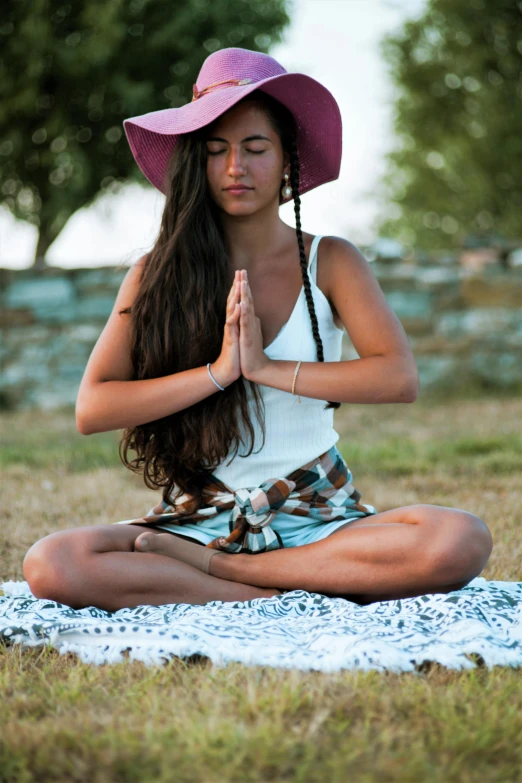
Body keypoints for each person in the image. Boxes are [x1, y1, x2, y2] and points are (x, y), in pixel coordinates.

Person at [22, 47, 493, 612]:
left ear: (288, 160)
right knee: (53, 563)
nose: (234, 168)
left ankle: (229, 576)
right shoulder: (154, 275)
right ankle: (273, 591)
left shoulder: (331, 260)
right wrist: (220, 373)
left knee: (459, 539)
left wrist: (268, 370)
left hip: (316, 515)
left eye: (254, 148)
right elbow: (92, 408)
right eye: (216, 150)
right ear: (196, 162)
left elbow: (398, 378)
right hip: (198, 518)